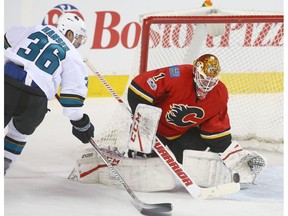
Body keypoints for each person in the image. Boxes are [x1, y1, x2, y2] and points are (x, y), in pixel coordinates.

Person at [127, 54, 266, 184]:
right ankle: (138, 155)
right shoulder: (177, 75)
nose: (206, 85)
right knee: (149, 167)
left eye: (211, 81)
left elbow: (216, 131)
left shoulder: (219, 94)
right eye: (204, 78)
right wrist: (145, 120)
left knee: (204, 162)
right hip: (154, 129)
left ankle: (237, 168)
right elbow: (139, 87)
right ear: (195, 72)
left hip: (181, 134)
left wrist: (233, 156)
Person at [4, 13, 94, 175]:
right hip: (36, 99)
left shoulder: (39, 28)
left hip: (7, 84)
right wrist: (81, 124)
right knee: (18, 136)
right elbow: (71, 101)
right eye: (79, 37)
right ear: (68, 33)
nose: (79, 42)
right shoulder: (73, 56)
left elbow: (8, 37)